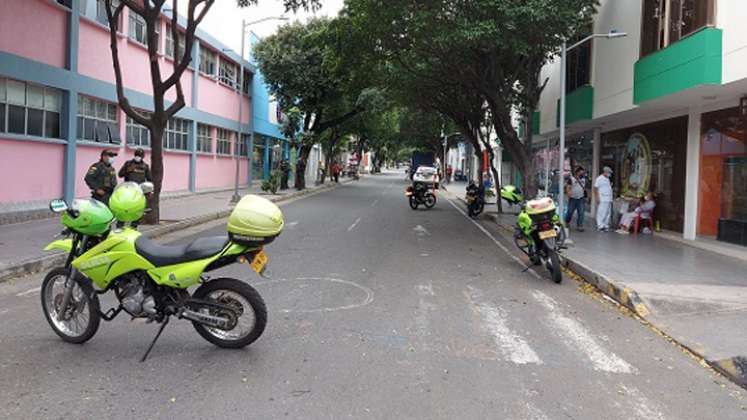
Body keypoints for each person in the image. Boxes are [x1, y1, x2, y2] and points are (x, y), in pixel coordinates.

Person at [565, 166, 588, 232]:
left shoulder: (584, 179)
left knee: (581, 212)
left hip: (581, 198)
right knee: (570, 212)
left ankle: (579, 225)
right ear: (577, 172)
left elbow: (584, 188)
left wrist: (586, 196)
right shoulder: (571, 179)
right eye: (581, 172)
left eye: (583, 173)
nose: (582, 174)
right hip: (573, 198)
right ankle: (567, 222)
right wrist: (568, 192)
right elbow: (568, 186)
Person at [594, 166, 614, 231]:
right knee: (601, 212)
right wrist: (597, 197)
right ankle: (600, 225)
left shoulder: (607, 179)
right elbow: (595, 188)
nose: (609, 174)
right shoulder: (599, 178)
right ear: (605, 172)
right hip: (602, 198)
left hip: (608, 198)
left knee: (608, 213)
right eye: (608, 173)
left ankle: (605, 225)